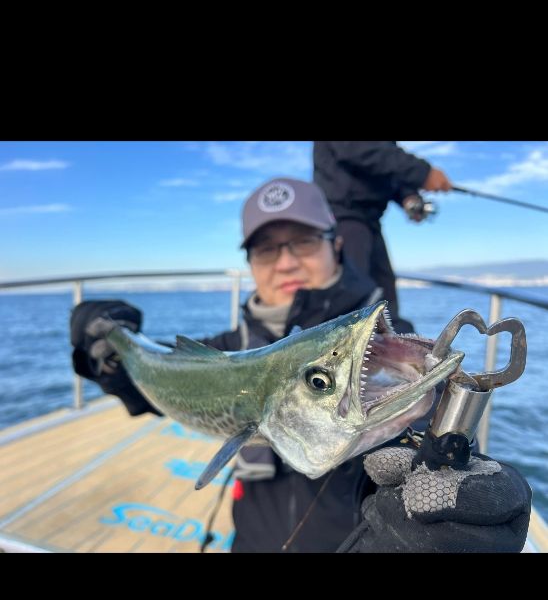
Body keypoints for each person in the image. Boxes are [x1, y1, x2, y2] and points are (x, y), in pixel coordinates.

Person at [70, 176, 531, 554]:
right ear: (250, 263)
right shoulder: (229, 347)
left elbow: (427, 439)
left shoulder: (380, 344)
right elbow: (147, 388)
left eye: (304, 240)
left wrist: (456, 501)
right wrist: (106, 354)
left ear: (335, 244)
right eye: (267, 248)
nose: (286, 260)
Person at [313, 141, 453, 328]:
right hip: (343, 219)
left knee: (386, 307)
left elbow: (382, 170)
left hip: (370, 222)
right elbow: (360, 149)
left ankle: (395, 352)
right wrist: (423, 172)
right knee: (348, 309)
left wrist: (407, 196)